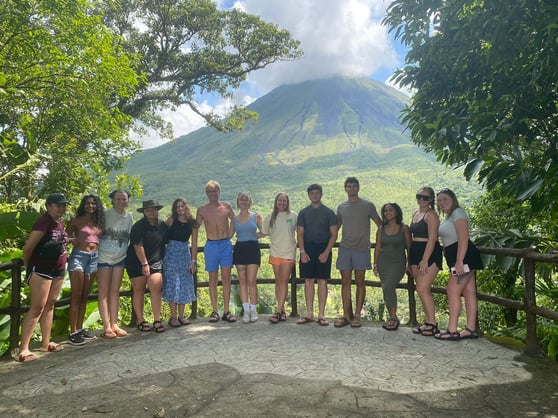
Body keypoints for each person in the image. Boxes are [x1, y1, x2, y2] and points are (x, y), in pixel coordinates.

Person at [17, 193, 69, 362]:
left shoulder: (59, 222)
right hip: (41, 269)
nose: (61, 209)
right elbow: (28, 248)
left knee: (50, 304)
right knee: (37, 307)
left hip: (58, 268)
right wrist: (29, 268)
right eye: (58, 206)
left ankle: (45, 342)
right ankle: (23, 349)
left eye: (63, 206)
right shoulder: (43, 223)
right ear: (48, 206)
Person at [435, 188, 484, 341]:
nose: (442, 203)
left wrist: (459, 261)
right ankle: (470, 328)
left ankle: (452, 330)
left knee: (452, 290)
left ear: (453, 199)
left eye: (445, 199)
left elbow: (463, 238)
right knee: (469, 292)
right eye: (439, 201)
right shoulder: (450, 216)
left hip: (464, 257)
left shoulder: (458, 213)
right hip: (458, 257)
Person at [334, 177, 381, 328]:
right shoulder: (341, 207)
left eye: (354, 186)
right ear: (345, 188)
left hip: (362, 249)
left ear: (358, 188)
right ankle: (347, 314)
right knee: (345, 282)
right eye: (349, 186)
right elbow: (335, 228)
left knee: (360, 282)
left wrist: (381, 243)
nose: (352, 188)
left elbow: (380, 225)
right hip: (345, 248)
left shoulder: (368, 205)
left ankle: (358, 315)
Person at [192, 180, 237, 323]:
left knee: (226, 278)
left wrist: (230, 234)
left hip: (225, 244)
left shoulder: (226, 206)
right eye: (210, 191)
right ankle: (215, 310)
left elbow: (234, 220)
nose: (213, 194)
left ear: (219, 191)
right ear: (206, 193)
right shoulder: (202, 209)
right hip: (211, 245)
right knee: (212, 278)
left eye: (215, 191)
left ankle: (227, 311)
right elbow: (195, 227)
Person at [296, 184, 338, 326]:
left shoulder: (329, 213)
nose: (314, 195)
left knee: (322, 281)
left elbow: (334, 234)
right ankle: (309, 313)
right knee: (308, 281)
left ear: (321, 194)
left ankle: (321, 314)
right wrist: (302, 251)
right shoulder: (303, 213)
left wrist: (326, 252)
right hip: (307, 247)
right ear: (309, 195)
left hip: (323, 247)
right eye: (312, 193)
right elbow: (300, 233)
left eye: (317, 193)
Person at [66, 194, 104, 345]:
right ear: (83, 205)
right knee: (76, 295)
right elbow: (64, 237)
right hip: (79, 257)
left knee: (84, 296)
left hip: (94, 258)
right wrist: (73, 241)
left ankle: (80, 329)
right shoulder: (76, 220)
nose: (91, 206)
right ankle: (73, 331)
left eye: (94, 203)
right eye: (88, 203)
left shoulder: (98, 221)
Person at [127, 200, 168, 333]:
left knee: (156, 288)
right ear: (144, 212)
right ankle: (140, 320)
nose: (152, 212)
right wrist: (144, 263)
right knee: (138, 290)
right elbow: (138, 245)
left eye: (154, 209)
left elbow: (167, 241)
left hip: (155, 261)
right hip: (136, 262)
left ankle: (157, 320)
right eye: (148, 210)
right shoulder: (138, 226)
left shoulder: (162, 225)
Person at [97, 190, 133, 339]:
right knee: (104, 292)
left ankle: (114, 324)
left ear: (127, 201)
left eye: (124, 199)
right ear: (112, 200)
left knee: (115, 292)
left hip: (120, 257)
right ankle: (106, 326)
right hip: (103, 257)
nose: (121, 201)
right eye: (118, 199)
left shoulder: (129, 217)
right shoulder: (105, 214)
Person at [409, 187, 443, 336]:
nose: (421, 199)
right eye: (419, 196)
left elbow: (433, 238)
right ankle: (428, 321)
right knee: (422, 289)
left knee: (422, 288)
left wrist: (425, 260)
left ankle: (433, 324)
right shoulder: (415, 214)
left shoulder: (432, 215)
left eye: (425, 197)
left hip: (428, 252)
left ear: (430, 200)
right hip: (415, 251)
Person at [373, 203, 411, 331]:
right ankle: (392, 317)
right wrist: (375, 263)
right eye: (385, 211)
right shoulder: (381, 229)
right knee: (386, 288)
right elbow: (378, 246)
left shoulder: (404, 228)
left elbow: (409, 247)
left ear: (396, 212)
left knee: (388, 286)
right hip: (383, 262)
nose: (387, 213)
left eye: (390, 210)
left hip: (398, 263)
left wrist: (409, 264)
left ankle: (393, 317)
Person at [262, 192, 297, 324]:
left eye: (284, 201)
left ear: (287, 202)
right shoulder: (270, 217)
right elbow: (263, 232)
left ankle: (278, 311)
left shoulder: (293, 216)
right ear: (276, 202)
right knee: (278, 281)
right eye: (279, 201)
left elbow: (300, 231)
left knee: (283, 281)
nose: (282, 203)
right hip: (275, 252)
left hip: (288, 253)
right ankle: (282, 310)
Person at [163, 198, 198, 327]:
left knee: (183, 283)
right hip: (171, 254)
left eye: (182, 206)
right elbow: (161, 235)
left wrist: (193, 261)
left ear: (186, 207)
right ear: (175, 209)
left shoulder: (192, 223)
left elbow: (194, 242)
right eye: (177, 207)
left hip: (184, 254)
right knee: (173, 284)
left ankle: (182, 315)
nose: (180, 209)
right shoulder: (171, 221)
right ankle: (173, 317)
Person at [233, 192, 263, 324]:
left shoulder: (256, 216)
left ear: (250, 202)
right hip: (239, 249)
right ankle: (246, 310)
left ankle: (253, 309)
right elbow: (229, 234)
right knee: (242, 281)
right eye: (242, 200)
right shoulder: (234, 219)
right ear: (238, 202)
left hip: (252, 249)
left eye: (246, 200)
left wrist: (255, 236)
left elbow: (265, 230)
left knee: (251, 280)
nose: (244, 202)